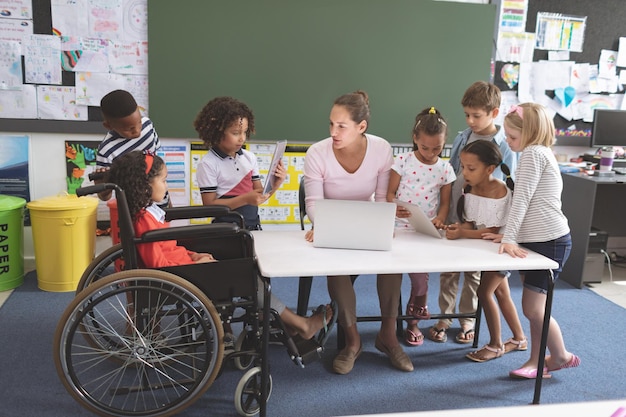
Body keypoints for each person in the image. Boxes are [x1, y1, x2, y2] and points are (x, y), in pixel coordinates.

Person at [108, 150, 333, 341]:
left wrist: (192, 255)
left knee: (247, 269)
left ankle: (283, 321)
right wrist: (193, 261)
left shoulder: (146, 213)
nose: (166, 186)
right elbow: (159, 263)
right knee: (250, 277)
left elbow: (165, 250)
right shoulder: (145, 218)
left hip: (182, 267)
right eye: (163, 180)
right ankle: (300, 325)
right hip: (176, 277)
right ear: (145, 185)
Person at [303, 90, 413, 374]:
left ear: (361, 126)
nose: (333, 132)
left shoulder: (381, 148)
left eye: (342, 126)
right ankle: (352, 342)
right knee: (337, 269)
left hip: (367, 221)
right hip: (333, 225)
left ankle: (387, 337)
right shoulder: (317, 152)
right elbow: (313, 202)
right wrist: (325, 226)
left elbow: (381, 196)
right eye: (331, 124)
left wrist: (383, 224)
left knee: (392, 264)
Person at [428, 81, 518, 345]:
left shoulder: (505, 145)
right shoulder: (462, 137)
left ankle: (467, 319)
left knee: (474, 274)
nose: (470, 120)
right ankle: (444, 317)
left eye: (476, 115)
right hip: (460, 211)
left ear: (493, 112)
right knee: (449, 271)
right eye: (467, 114)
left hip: (486, 220)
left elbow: (510, 184)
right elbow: (454, 174)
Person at [496, 103, 579, 379]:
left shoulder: (533, 154)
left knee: (532, 308)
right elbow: (528, 204)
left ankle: (561, 356)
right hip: (541, 240)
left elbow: (522, 200)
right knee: (535, 309)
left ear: (530, 132)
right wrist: (508, 235)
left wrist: (509, 237)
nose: (507, 141)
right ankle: (536, 360)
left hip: (550, 241)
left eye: (512, 136)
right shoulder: (540, 153)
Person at [445, 140, 526, 362]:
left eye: (471, 168)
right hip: (485, 251)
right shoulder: (468, 188)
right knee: (501, 293)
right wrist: (458, 228)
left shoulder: (500, 190)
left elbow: (490, 231)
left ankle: (495, 344)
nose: (465, 172)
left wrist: (462, 234)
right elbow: (472, 224)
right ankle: (519, 338)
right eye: (463, 167)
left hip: (501, 251)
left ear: (490, 169)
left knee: (484, 293)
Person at [386, 107, 455, 347]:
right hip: (398, 228)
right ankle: (389, 322)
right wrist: (394, 206)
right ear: (415, 138)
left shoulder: (445, 169)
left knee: (421, 280)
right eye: (425, 147)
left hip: (424, 231)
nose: (430, 153)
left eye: (437, 148)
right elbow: (389, 193)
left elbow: (445, 203)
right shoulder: (403, 161)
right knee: (391, 278)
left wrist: (439, 219)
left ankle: (413, 322)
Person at [193, 96, 285, 231]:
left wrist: (275, 185)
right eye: (235, 133)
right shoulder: (208, 164)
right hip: (226, 232)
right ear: (217, 131)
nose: (242, 138)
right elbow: (210, 207)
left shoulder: (250, 158)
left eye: (245, 132)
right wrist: (246, 199)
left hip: (253, 228)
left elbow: (258, 196)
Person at [94, 89, 165, 204]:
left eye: (139, 122)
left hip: (161, 202)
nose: (137, 131)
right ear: (108, 125)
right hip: (133, 210)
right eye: (129, 129)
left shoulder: (148, 126)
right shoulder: (106, 151)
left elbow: (159, 166)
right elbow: (104, 196)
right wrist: (103, 183)